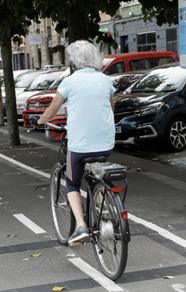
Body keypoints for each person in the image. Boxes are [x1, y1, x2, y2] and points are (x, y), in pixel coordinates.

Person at [37, 40, 116, 245]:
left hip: (80, 145)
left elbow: (53, 108)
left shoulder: (69, 82)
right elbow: (110, 107)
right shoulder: (106, 80)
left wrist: (41, 120)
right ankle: (104, 209)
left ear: (74, 61)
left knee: (72, 182)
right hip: (106, 143)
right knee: (97, 176)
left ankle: (81, 225)